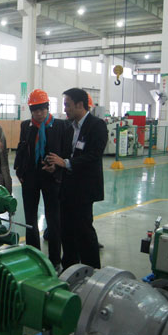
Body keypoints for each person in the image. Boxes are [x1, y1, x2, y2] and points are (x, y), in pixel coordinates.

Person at [47, 88, 108, 270]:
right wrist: (56, 165)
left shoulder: (97, 125)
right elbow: (67, 155)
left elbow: (94, 155)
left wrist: (65, 163)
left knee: (84, 231)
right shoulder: (69, 128)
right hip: (67, 188)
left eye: (67, 105)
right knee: (66, 231)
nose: (65, 109)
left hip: (84, 189)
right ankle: (69, 269)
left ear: (80, 105)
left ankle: (92, 271)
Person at [14, 89, 66, 268]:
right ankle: (33, 255)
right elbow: (21, 149)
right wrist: (19, 171)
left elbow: (65, 152)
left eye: (43, 109)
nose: (39, 113)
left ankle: (55, 260)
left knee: (54, 219)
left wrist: (57, 168)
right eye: (36, 110)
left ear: (47, 108)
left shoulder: (60, 126)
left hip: (52, 178)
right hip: (30, 178)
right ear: (31, 110)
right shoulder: (26, 126)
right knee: (30, 218)